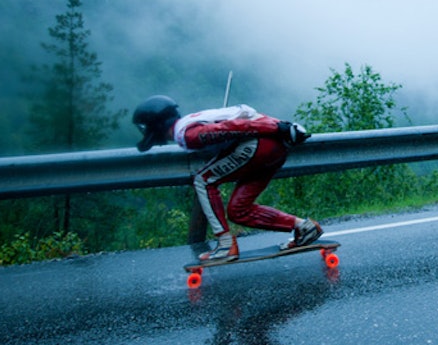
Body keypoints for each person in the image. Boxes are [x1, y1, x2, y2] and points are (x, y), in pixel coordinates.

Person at [132, 95, 320, 261]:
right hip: (276, 148)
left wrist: (278, 127)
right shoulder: (189, 121)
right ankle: (304, 227)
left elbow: (230, 127)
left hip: (259, 143)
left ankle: (225, 244)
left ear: (154, 125)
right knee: (239, 211)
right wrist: (281, 128)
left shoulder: (186, 134)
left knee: (203, 181)